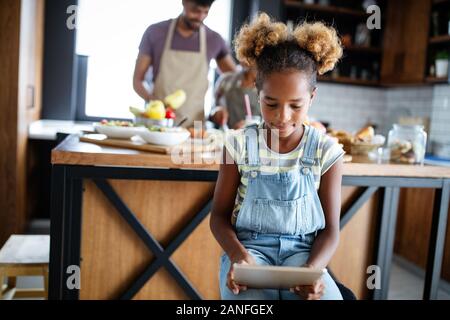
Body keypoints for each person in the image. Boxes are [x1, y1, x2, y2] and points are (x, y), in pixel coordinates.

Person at [210, 13, 345, 300]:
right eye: (271, 103)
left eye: (296, 105)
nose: (282, 117)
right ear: (257, 94)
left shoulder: (327, 151)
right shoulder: (237, 145)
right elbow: (218, 218)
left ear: (312, 97)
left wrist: (312, 271)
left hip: (304, 254)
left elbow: (331, 230)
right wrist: (238, 257)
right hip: (249, 251)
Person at [133, 0, 236, 127]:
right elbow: (137, 80)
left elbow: (235, 78)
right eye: (195, 11)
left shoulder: (214, 39)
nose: (200, 17)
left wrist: (218, 106)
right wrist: (153, 101)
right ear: (184, 2)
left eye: (205, 12)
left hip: (195, 127)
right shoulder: (155, 32)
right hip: (158, 123)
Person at [210, 63, 260, 129]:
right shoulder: (226, 81)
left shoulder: (267, 87)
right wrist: (216, 113)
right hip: (227, 135)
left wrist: (252, 126)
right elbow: (212, 113)